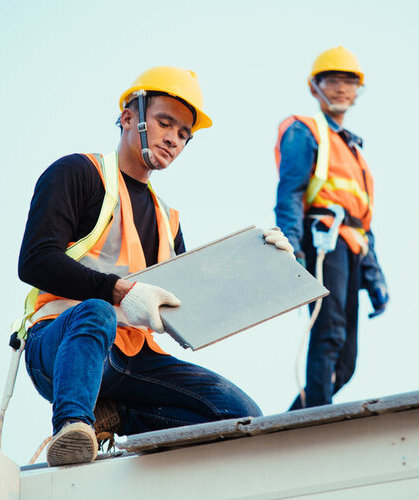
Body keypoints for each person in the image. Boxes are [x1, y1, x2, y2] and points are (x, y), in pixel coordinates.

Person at [17, 66, 294, 466]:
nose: (173, 139)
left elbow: (194, 310)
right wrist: (119, 291)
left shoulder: (169, 219)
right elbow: (35, 261)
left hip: (130, 359)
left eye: (184, 134)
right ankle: (74, 429)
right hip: (62, 348)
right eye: (166, 123)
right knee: (95, 312)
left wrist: (268, 267)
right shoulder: (79, 174)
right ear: (129, 116)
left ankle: (113, 414)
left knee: (240, 414)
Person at [274, 47, 389, 410]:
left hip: (352, 247)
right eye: (333, 80)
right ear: (314, 87)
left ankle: (294, 420)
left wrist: (375, 277)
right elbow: (290, 192)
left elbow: (363, 223)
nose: (341, 88)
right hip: (323, 242)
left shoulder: (354, 150)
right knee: (329, 333)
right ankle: (316, 423)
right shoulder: (305, 131)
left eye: (350, 82)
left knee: (346, 360)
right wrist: (291, 247)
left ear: (358, 91)